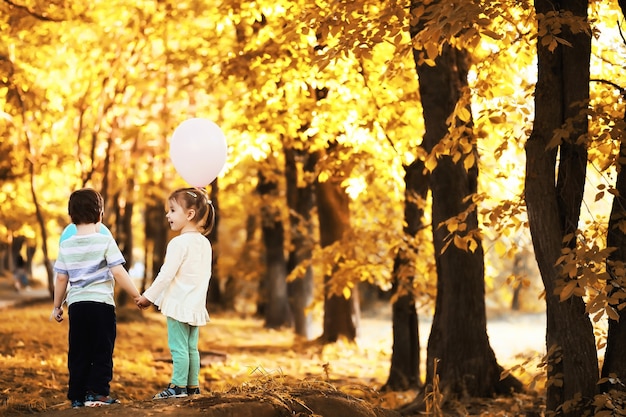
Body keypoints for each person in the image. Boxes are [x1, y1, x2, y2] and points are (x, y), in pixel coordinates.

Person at [52, 188, 142, 409]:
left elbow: (61, 279)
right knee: (102, 349)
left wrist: (57, 306)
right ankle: (98, 393)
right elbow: (118, 272)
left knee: (79, 350)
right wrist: (136, 295)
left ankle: (77, 396)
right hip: (101, 305)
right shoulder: (104, 241)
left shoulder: (66, 245)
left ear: (71, 216)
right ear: (100, 214)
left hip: (77, 307)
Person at [136, 187, 214, 399]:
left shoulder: (178, 243)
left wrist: (148, 297)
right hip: (195, 305)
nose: (167, 215)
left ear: (189, 214)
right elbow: (204, 276)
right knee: (191, 348)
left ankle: (178, 387)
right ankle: (192, 387)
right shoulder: (205, 244)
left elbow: (165, 275)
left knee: (179, 348)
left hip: (179, 304)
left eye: (172, 210)